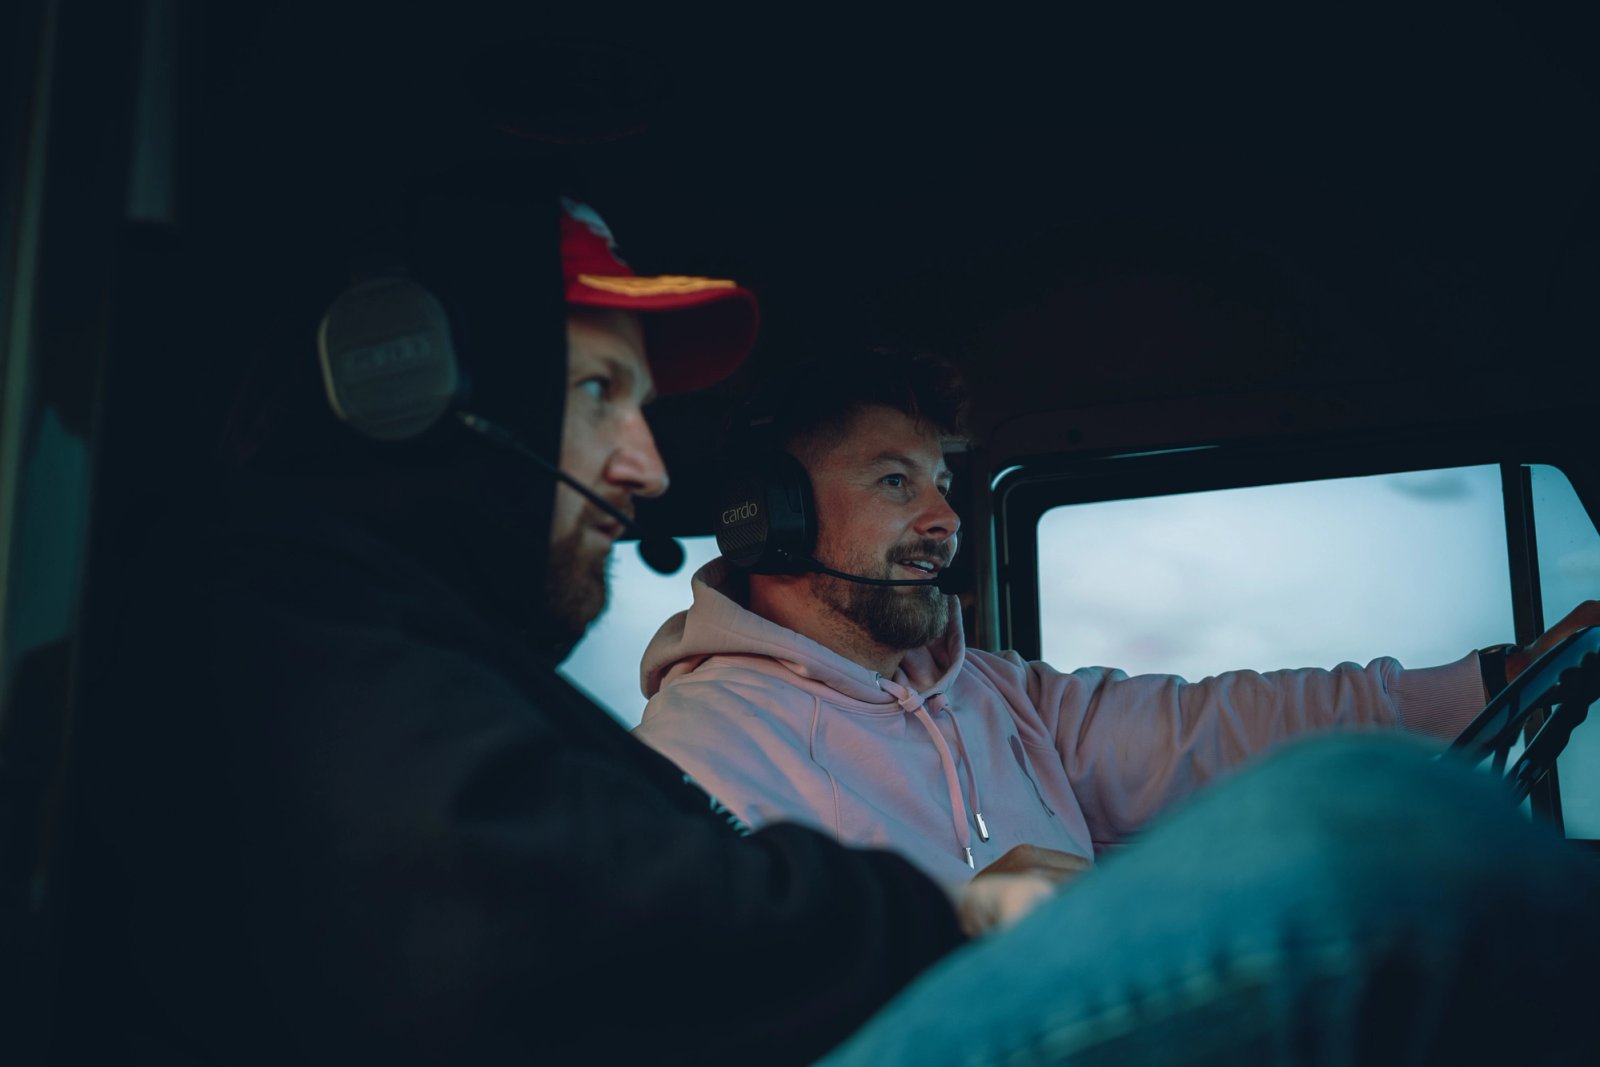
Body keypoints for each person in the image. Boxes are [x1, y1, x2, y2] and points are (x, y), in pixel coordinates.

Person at [66, 196, 1061, 1066]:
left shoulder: (427, 656)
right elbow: (550, 927)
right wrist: (954, 918)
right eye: (597, 391)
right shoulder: (285, 638)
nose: (649, 467)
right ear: (403, 384)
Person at [633, 348, 1600, 884]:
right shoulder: (706, 745)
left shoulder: (994, 693)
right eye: (897, 482)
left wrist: (1495, 681)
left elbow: (1216, 726)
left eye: (943, 483)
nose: (945, 519)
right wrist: (972, 924)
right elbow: (751, 996)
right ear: (773, 519)